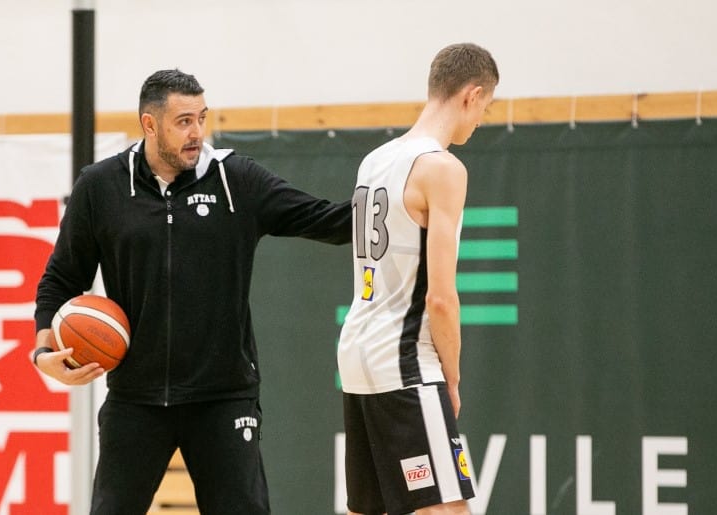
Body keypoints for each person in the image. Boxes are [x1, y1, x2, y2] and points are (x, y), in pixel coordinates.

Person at [32, 69, 352, 514]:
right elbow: (60, 280)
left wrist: (398, 198)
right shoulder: (101, 187)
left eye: (201, 118)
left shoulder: (236, 180)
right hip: (135, 399)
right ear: (149, 124)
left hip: (223, 397)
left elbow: (328, 220)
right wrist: (43, 350)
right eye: (183, 121)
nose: (197, 132)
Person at [336, 43, 498, 515]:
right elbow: (441, 298)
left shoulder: (373, 160)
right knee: (446, 509)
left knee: (372, 509)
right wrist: (451, 377)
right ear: (472, 95)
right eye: (485, 108)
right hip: (405, 360)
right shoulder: (442, 169)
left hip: (357, 355)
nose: (480, 121)